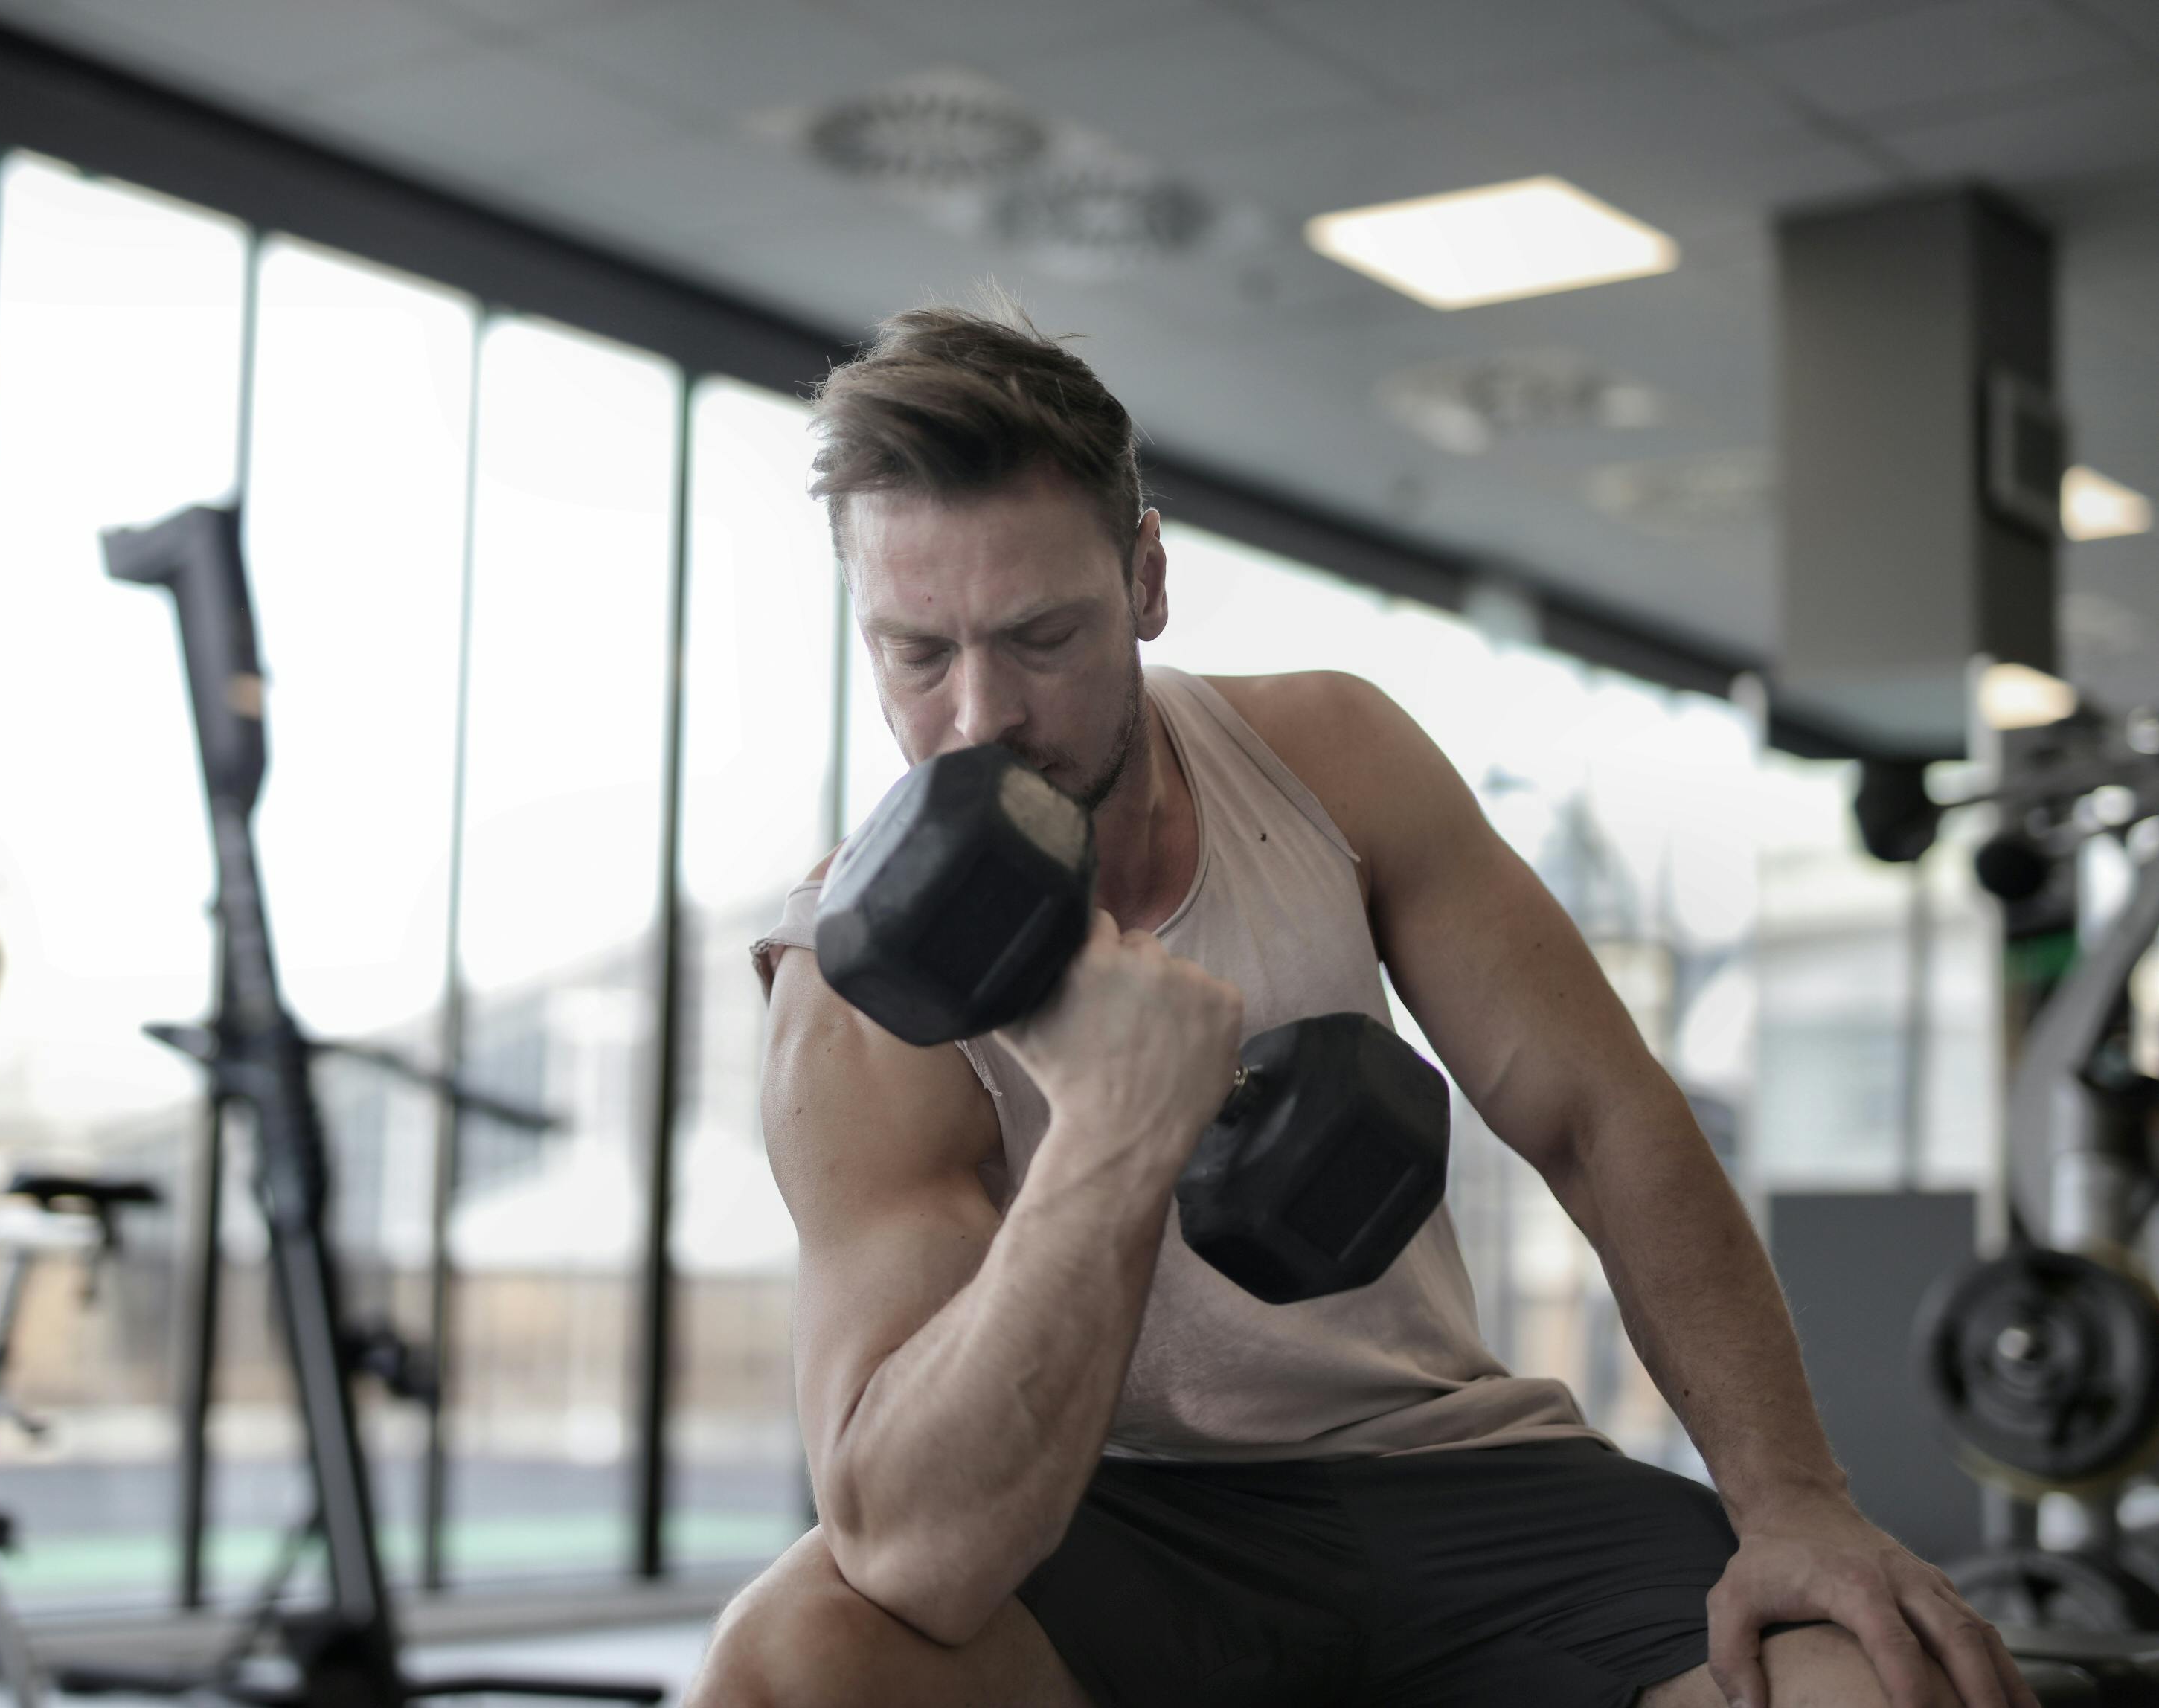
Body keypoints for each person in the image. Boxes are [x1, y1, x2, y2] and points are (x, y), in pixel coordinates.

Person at [687, 301, 2030, 1708]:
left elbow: (1598, 1118)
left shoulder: (1328, 758)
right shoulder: (853, 991)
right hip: (1123, 1525)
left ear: (1145, 582)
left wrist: (1792, 1496)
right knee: (790, 1667)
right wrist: (1109, 1134)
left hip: (1460, 1472)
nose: (980, 718)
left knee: (1885, 1688)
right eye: (918, 654)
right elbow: (912, 1554)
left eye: (1040, 636)